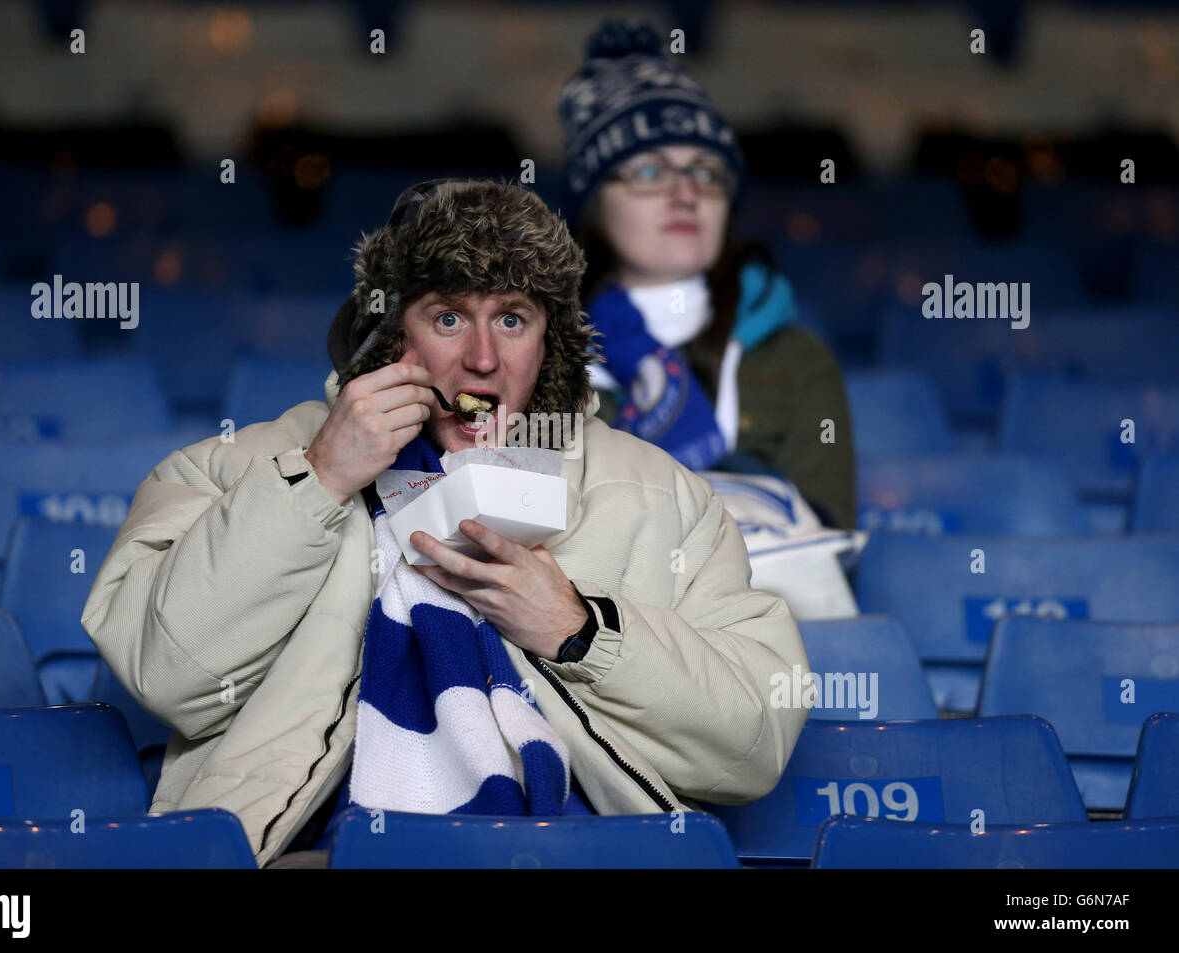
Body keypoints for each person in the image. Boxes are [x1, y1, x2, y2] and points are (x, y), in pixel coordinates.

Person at [81, 178, 808, 868]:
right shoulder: (234, 468)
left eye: (513, 319)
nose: (483, 359)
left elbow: (756, 740)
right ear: (390, 334)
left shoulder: (660, 495)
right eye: (449, 317)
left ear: (550, 342)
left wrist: (583, 633)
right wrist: (320, 477)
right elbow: (167, 673)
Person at [558, 19, 857, 529]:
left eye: (706, 172)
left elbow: (830, 543)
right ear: (594, 206)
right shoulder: (539, 356)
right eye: (650, 172)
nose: (686, 193)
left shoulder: (795, 358)